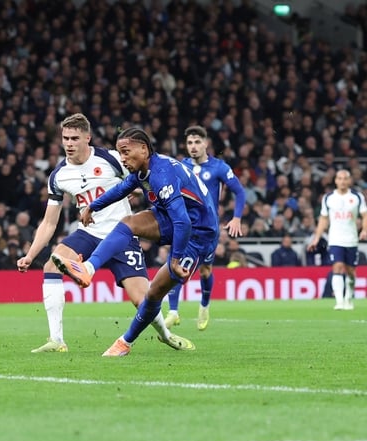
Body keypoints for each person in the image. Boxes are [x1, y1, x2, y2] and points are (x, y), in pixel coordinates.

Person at [16, 114, 194, 353]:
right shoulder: (58, 176)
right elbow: (49, 222)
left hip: (121, 234)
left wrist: (140, 194)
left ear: (87, 138)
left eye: (74, 138)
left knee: (142, 299)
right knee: (51, 266)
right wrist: (30, 254)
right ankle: (56, 340)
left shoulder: (111, 158)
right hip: (88, 233)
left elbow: (142, 175)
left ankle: (166, 335)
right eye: (65, 138)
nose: (69, 143)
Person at [51, 127, 218, 356]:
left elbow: (184, 223)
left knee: (153, 294)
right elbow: (121, 189)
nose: (122, 158)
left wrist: (176, 258)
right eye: (120, 153)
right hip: (172, 217)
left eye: (126, 152)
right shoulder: (145, 170)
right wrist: (93, 206)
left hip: (199, 232)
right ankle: (87, 268)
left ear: (143, 148)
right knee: (129, 222)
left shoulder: (161, 174)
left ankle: (125, 341)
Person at [164, 126, 245, 331]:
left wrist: (236, 218)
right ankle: (173, 312)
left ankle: (204, 306)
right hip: (184, 225)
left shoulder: (219, 167)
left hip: (208, 229)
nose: (193, 146)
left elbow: (240, 192)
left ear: (206, 144)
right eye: (190, 143)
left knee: (205, 270)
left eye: (197, 142)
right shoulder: (181, 165)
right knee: (174, 263)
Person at [307, 169, 367, 310]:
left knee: (351, 271)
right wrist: (316, 238)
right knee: (337, 267)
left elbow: (365, 215)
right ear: (335, 180)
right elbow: (323, 218)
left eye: (345, 178)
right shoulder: (328, 198)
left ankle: (348, 298)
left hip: (351, 239)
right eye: (339, 178)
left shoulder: (357, 197)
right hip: (335, 239)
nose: (342, 181)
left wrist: (364, 230)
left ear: (349, 180)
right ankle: (339, 301)